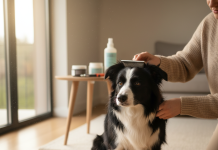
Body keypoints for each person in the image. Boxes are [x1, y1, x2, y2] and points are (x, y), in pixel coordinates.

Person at [133, 0, 218, 149]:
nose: (211, 3)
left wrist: (182, 105)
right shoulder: (210, 23)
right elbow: (185, 63)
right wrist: (158, 61)